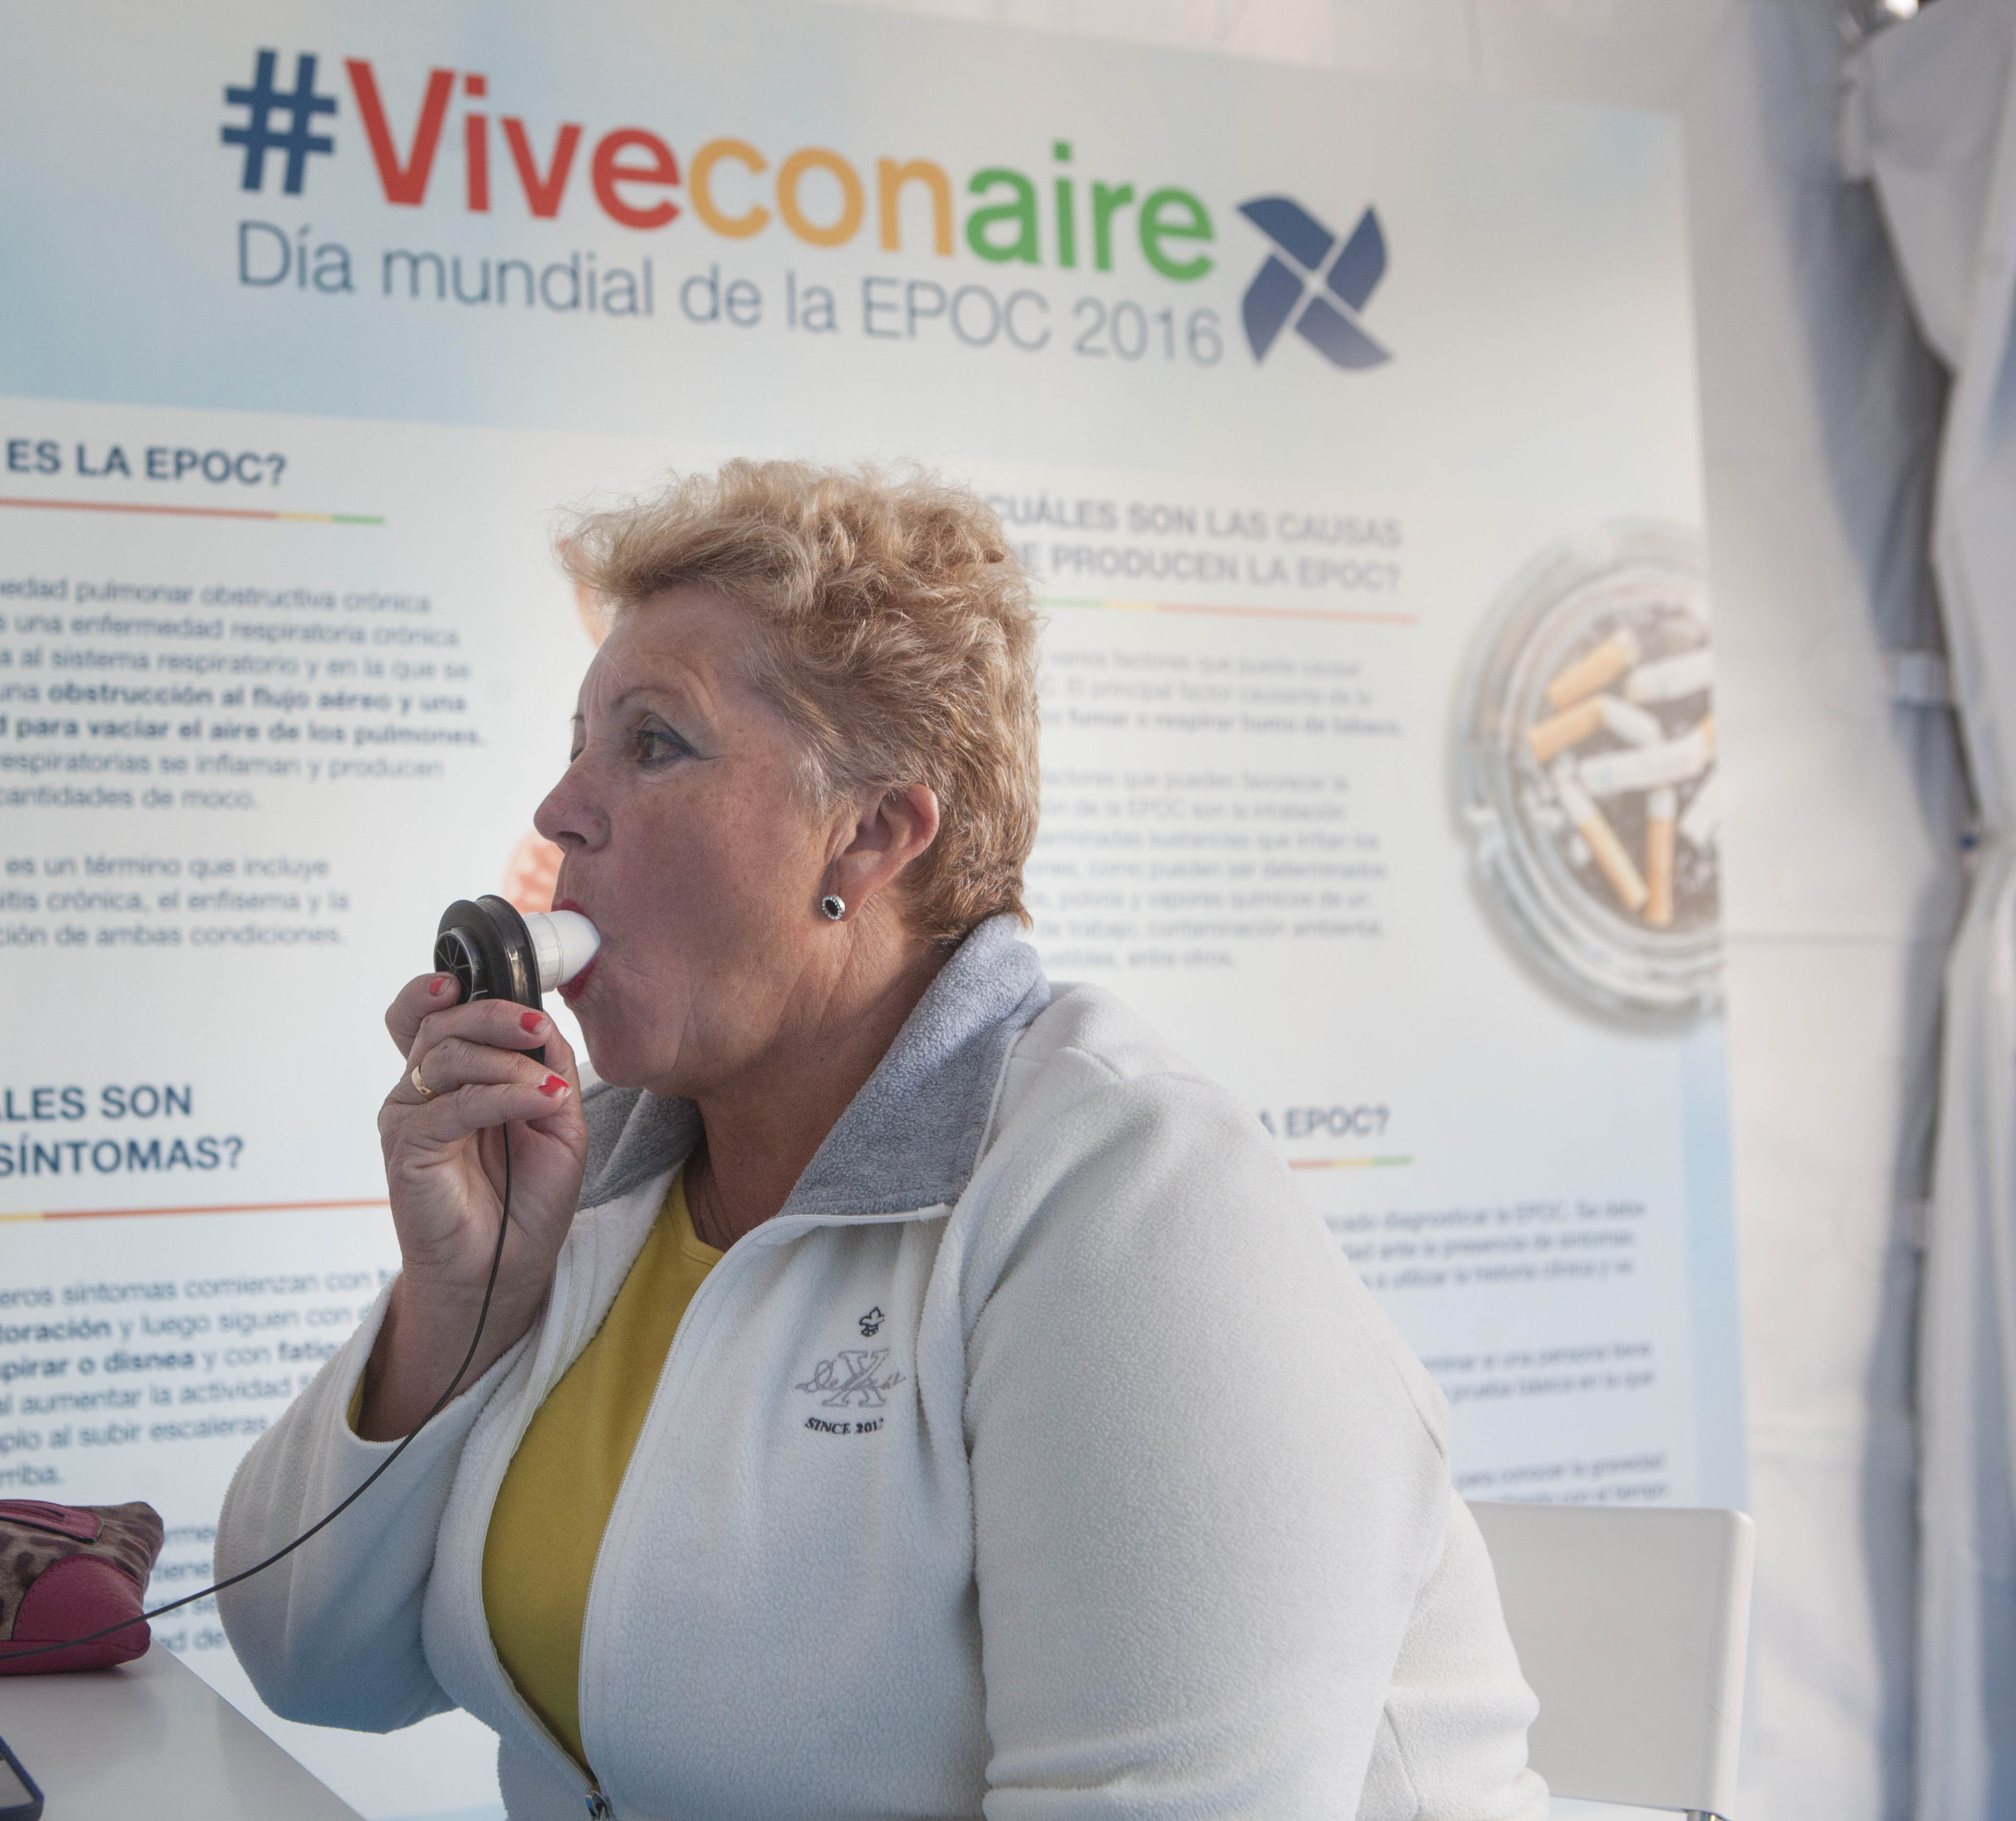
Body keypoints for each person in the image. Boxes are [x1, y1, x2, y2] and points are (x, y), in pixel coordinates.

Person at [218, 462, 1547, 1821]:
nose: (560, 809)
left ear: (868, 837)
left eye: (652, 744)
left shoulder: (1129, 1195)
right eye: (577, 744)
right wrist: (463, 1301)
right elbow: (308, 1660)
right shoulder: (591, 1174)